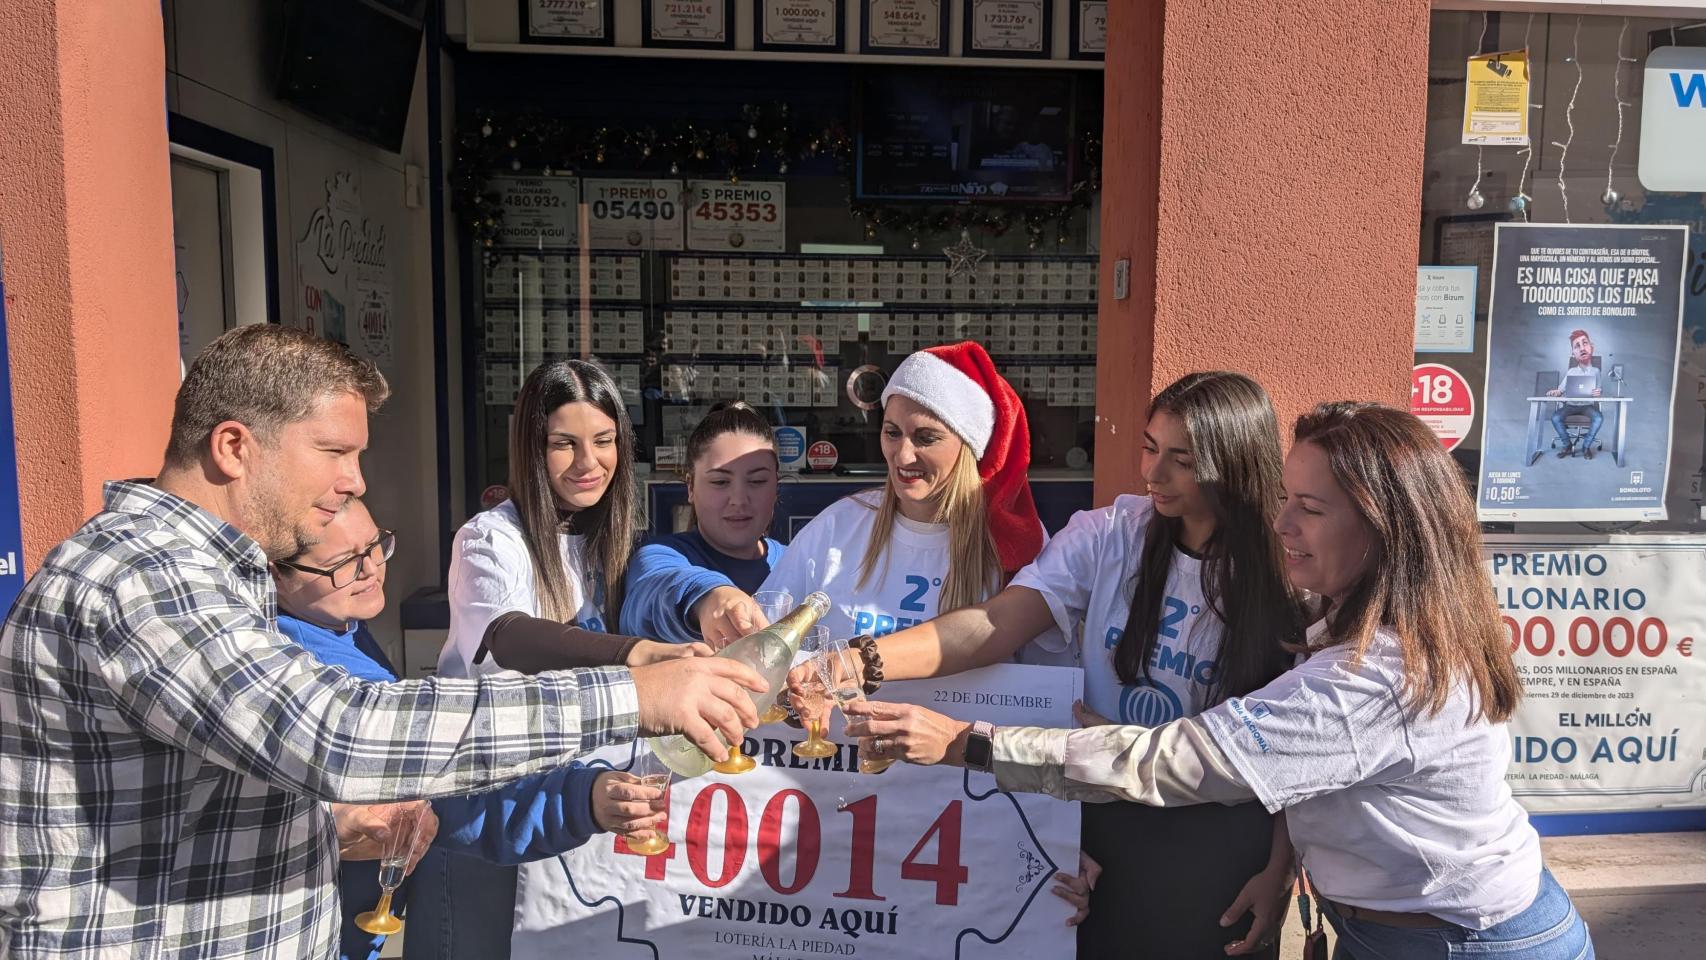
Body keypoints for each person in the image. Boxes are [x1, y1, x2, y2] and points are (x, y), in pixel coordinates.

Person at [0, 325, 766, 960]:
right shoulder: (144, 577)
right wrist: (633, 691)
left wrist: (324, 828)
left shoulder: (211, 578)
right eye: (335, 453)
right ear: (234, 447)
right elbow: (338, 730)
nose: (356, 484)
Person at [849, 402, 1596, 960]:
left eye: (1309, 509)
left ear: (1384, 529)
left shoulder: (1378, 675)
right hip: (1393, 925)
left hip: (1462, 942)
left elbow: (1176, 759)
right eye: (1284, 500)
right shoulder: (1359, 614)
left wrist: (963, 744)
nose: (1283, 527)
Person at [805, 371, 1305, 958]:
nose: (1152, 474)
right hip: (1099, 821)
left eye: (1182, 459)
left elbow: (1300, 752)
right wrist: (856, 661)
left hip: (1219, 842)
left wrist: (1281, 869)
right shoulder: (1110, 534)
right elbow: (992, 625)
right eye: (1149, 447)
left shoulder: (1291, 573)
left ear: (1234, 462)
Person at [270, 500, 664, 960]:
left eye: (376, 547)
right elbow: (442, 785)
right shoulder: (307, 665)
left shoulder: (336, 624)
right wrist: (580, 798)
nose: (369, 570)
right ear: (277, 572)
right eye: (342, 564)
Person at [434, 358, 708, 960]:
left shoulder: (615, 542)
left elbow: (671, 576)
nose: (589, 463)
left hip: (569, 816)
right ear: (531, 448)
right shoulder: (489, 537)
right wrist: (635, 655)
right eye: (564, 444)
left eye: (604, 441)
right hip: (487, 816)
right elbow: (507, 636)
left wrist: (716, 601)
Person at [758, 342, 1049, 655]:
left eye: (926, 438)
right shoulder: (838, 527)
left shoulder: (1010, 544)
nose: (903, 455)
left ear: (969, 446)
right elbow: (765, 643)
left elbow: (1046, 677)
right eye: (892, 432)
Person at [622, 400, 786, 648]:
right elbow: (650, 597)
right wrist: (709, 598)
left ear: (776, 486)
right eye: (720, 482)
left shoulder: (797, 562)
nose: (739, 500)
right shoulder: (659, 556)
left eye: (757, 481)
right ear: (690, 487)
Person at [1546, 328, 1604, 460]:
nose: (1582, 348)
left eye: (1585, 343)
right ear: (1573, 353)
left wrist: (1598, 392)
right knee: (1555, 417)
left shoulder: (1596, 371)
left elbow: (1599, 391)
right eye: (1577, 346)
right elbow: (1561, 389)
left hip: (1587, 406)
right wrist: (1556, 391)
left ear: (1591, 347)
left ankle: (1586, 446)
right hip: (1570, 405)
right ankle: (1567, 445)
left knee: (1599, 418)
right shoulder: (1571, 371)